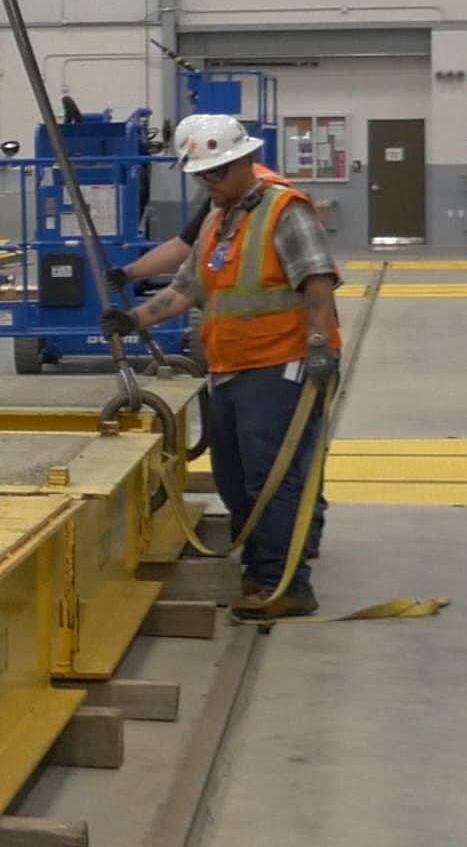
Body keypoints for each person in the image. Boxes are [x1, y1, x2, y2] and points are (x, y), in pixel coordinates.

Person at [109, 113, 343, 621]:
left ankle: (285, 585)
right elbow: (185, 289)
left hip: (281, 367)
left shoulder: (285, 210)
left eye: (215, 173)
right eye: (201, 175)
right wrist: (133, 319)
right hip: (229, 367)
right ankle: (259, 570)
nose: (207, 183)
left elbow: (318, 280)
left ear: (245, 162)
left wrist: (318, 347)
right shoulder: (219, 220)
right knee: (233, 479)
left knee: (273, 479)